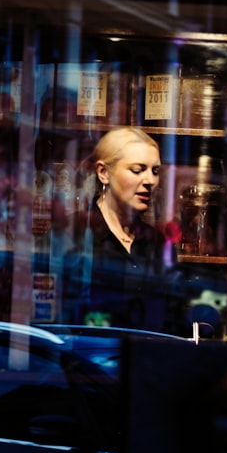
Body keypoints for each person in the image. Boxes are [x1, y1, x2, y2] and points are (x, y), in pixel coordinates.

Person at [64, 126, 170, 331]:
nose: (149, 181)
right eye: (137, 170)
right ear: (103, 173)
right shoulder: (75, 232)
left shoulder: (156, 242)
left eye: (155, 171)